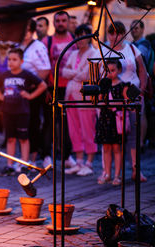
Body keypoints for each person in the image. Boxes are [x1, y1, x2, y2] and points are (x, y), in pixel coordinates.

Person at [102, 21, 147, 182]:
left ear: (124, 34)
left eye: (119, 33)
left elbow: (142, 70)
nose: (116, 36)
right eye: (112, 33)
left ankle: (136, 169)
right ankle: (109, 172)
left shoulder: (132, 48)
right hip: (111, 98)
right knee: (109, 135)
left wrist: (141, 90)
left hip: (132, 95)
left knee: (133, 134)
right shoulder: (103, 49)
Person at [0, 48, 47, 176]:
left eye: (14, 60)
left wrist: (31, 95)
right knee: (10, 139)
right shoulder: (5, 75)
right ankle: (10, 165)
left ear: (21, 61)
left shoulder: (26, 75)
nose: (11, 62)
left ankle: (24, 164)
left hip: (22, 112)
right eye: (9, 59)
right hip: (7, 111)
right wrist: (0, 96)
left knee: (23, 139)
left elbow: (42, 85)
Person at [42, 10, 77, 168]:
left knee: (68, 124)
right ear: (54, 23)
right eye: (58, 21)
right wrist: (46, 88)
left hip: (70, 88)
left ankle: (67, 156)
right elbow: (42, 66)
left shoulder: (75, 40)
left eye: (64, 20)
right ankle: (47, 156)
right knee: (49, 123)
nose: (61, 23)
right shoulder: (46, 41)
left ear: (68, 22)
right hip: (52, 88)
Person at [62, 24, 98, 176]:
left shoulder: (94, 53)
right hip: (70, 96)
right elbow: (63, 71)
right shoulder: (73, 53)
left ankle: (89, 163)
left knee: (87, 129)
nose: (80, 39)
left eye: (83, 36)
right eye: (78, 36)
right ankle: (79, 162)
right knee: (74, 130)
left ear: (89, 37)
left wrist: (73, 73)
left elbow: (89, 75)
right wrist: (76, 73)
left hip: (85, 96)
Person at [20, 19, 51, 171]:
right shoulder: (17, 45)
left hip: (33, 91)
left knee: (33, 124)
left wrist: (32, 84)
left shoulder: (38, 47)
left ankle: (33, 159)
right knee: (21, 125)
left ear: (31, 30)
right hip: (18, 92)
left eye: (26, 29)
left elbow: (45, 69)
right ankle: (23, 158)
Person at [95, 60, 124, 185]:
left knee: (117, 148)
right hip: (105, 118)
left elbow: (126, 102)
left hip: (116, 119)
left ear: (119, 70)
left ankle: (117, 175)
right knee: (106, 147)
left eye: (113, 70)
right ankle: (106, 173)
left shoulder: (123, 85)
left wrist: (115, 105)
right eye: (107, 71)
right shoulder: (103, 86)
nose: (110, 73)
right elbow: (98, 101)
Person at [131, 20, 154, 150]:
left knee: (142, 112)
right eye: (132, 28)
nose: (134, 30)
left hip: (143, 81)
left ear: (142, 29)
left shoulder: (143, 44)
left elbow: (139, 61)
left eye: (136, 28)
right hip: (137, 81)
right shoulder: (133, 44)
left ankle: (140, 142)